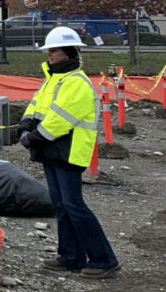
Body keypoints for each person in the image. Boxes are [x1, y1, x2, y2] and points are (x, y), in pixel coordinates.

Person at [19, 27, 120, 279]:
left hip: (68, 152)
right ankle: (70, 257)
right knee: (61, 205)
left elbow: (59, 121)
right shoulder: (54, 80)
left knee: (74, 205)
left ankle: (103, 259)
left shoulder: (77, 83)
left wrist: (32, 137)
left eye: (53, 50)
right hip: (53, 151)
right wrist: (26, 125)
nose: (49, 55)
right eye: (49, 51)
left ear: (68, 53)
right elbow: (36, 106)